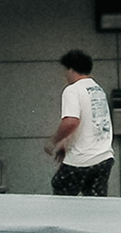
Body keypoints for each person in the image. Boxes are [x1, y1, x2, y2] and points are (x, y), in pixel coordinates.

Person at [46, 49, 114, 196]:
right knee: (95, 201)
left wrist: (53, 141)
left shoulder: (72, 90)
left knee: (61, 188)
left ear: (71, 69)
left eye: (65, 70)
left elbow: (71, 121)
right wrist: (66, 142)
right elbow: (89, 122)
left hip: (82, 159)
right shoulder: (98, 89)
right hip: (104, 157)